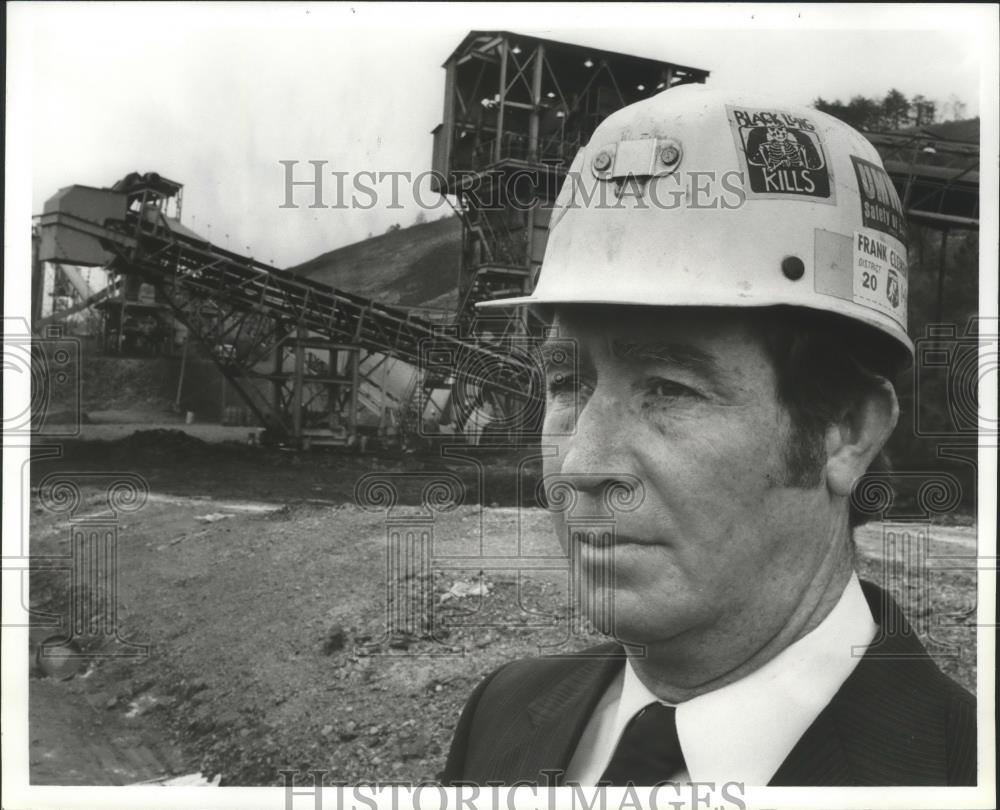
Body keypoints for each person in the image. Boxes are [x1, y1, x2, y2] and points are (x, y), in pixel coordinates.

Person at [441, 86, 977, 787]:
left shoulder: (959, 774)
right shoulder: (501, 715)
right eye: (570, 385)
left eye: (669, 388)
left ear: (847, 431)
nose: (579, 465)